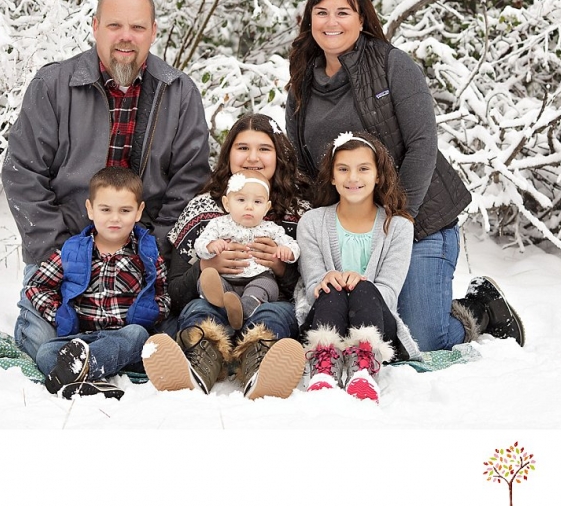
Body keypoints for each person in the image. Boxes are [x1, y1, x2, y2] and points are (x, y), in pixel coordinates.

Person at [285, 0, 524, 351]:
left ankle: (481, 309)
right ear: (309, 19)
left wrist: (400, 219)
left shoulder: (392, 65)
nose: (332, 22)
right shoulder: (302, 81)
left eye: (343, 12)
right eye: (322, 12)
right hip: (352, 230)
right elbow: (303, 165)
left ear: (362, 18)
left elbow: (423, 143)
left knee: (422, 337)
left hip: (419, 220)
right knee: (362, 325)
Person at [2, 0, 210, 361]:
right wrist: (61, 251)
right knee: (41, 343)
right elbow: (22, 172)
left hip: (141, 257)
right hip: (63, 247)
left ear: (154, 31)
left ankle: (95, 355)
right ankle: (85, 354)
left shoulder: (178, 93)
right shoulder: (52, 86)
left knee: (159, 340)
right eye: (115, 26)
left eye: (138, 27)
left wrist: (153, 251)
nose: (126, 37)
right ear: (95, 26)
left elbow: (190, 182)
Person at [141, 113, 309, 400]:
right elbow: (175, 292)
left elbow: (309, 292)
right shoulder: (202, 209)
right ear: (229, 153)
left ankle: (260, 370)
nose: (252, 157)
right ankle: (197, 368)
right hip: (214, 306)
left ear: (279, 154)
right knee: (198, 310)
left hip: (266, 308)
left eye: (264, 149)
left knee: (276, 314)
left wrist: (281, 269)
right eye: (242, 147)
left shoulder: (301, 212)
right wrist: (206, 266)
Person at [24, 167, 170, 399]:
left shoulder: (146, 254)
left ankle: (84, 368)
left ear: (139, 211)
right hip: (80, 338)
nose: (115, 218)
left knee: (138, 335)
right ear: (90, 209)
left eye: (125, 210)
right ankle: (89, 376)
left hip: (124, 337)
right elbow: (36, 286)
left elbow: (162, 293)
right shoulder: (72, 252)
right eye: (105, 209)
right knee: (45, 353)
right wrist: (58, 314)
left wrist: (153, 311)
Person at [297, 131, 421, 403]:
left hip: (377, 324)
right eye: (343, 169)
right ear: (332, 176)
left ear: (378, 175)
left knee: (364, 290)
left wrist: (361, 282)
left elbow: (389, 293)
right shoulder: (311, 223)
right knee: (331, 288)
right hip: (325, 319)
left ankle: (364, 371)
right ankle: (323, 372)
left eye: (363, 169)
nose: (352, 178)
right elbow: (310, 291)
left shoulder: (398, 226)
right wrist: (327, 279)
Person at [195, 169, 300, 331]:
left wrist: (288, 251)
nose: (249, 207)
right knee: (207, 279)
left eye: (257, 202)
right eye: (241, 200)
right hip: (227, 279)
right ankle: (221, 301)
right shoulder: (219, 224)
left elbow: (292, 244)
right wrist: (210, 247)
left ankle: (243, 309)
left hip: (258, 277)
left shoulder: (270, 228)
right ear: (227, 203)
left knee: (265, 286)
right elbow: (200, 244)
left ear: (267, 207)